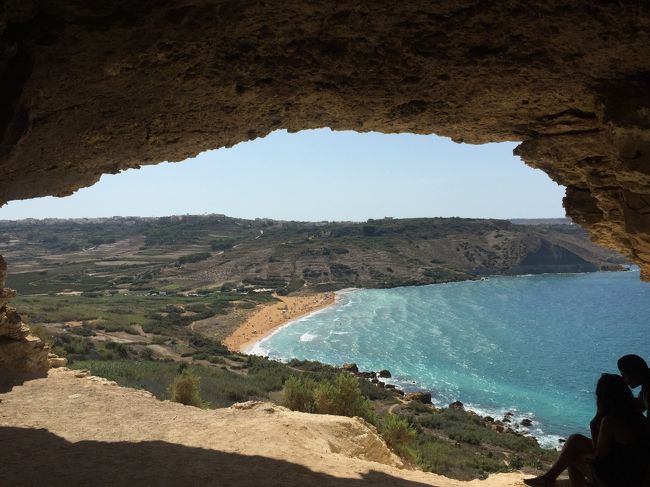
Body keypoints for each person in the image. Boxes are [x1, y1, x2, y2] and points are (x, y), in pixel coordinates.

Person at [524, 374, 648, 487]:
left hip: (620, 479)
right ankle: (548, 478)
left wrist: (593, 425)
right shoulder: (636, 414)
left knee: (572, 459)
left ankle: (549, 479)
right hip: (634, 471)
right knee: (575, 439)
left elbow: (600, 455)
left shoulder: (610, 421)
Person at [618, 354, 650, 421]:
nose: (623, 380)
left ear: (635, 373)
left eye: (624, 375)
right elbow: (640, 405)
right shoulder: (645, 385)